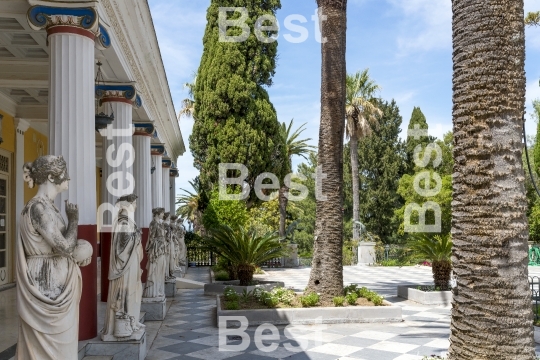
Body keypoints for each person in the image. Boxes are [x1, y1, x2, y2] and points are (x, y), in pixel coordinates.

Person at [16, 155, 92, 359]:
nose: (68, 179)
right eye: (65, 174)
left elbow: (66, 247)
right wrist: (74, 220)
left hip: (56, 284)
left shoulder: (49, 207)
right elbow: (66, 247)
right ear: (51, 176)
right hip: (47, 287)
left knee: (63, 351)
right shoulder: (38, 208)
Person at [101, 194, 144, 340]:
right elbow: (121, 250)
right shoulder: (123, 223)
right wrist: (136, 236)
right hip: (125, 267)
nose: (136, 206)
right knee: (127, 293)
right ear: (127, 205)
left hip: (131, 264)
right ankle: (124, 326)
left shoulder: (128, 222)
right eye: (134, 203)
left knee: (133, 292)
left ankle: (132, 322)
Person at [142, 208, 167, 298]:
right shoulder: (153, 224)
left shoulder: (160, 224)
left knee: (160, 271)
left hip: (161, 250)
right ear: (157, 213)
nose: (163, 215)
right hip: (156, 251)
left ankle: (158, 290)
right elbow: (151, 239)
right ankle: (153, 292)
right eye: (162, 213)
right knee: (155, 271)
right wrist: (159, 244)